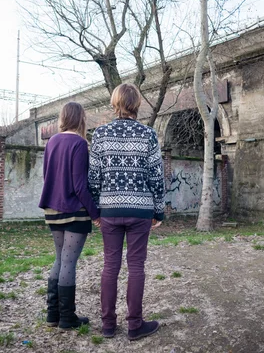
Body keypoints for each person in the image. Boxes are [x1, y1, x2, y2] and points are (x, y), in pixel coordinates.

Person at [88, 83, 165, 341]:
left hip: (109, 210)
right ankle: (134, 325)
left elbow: (93, 177)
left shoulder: (100, 134)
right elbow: (156, 175)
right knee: (136, 266)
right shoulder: (148, 135)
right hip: (140, 210)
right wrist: (159, 210)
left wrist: (96, 211)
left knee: (110, 266)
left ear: (115, 103)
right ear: (137, 104)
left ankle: (108, 325)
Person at [38, 102, 100, 330]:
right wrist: (95, 214)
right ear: (81, 119)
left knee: (59, 259)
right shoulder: (80, 144)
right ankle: (67, 318)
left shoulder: (52, 141)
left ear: (63, 118)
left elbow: (47, 176)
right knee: (68, 262)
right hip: (74, 211)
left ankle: (52, 315)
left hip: (52, 210)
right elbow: (80, 185)